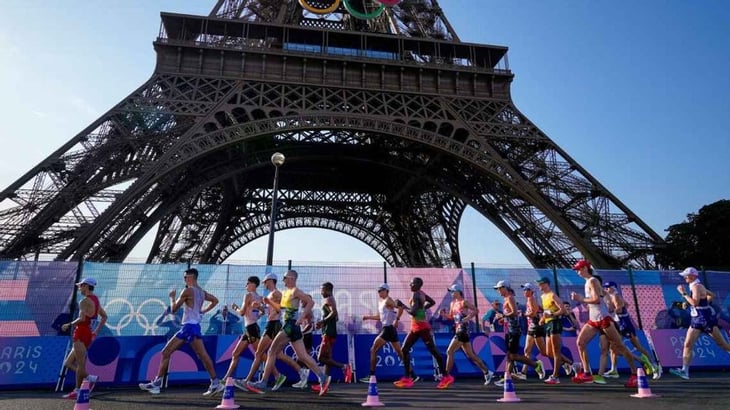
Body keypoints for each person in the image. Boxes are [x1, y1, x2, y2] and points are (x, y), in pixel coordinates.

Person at [139, 268, 225, 396]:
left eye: (185, 277)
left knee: (170, 352)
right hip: (192, 326)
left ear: (191, 277)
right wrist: (203, 311)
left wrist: (172, 298)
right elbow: (215, 300)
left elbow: (173, 309)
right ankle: (215, 382)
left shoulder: (187, 290)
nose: (184, 279)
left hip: (188, 327)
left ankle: (157, 384)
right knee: (193, 354)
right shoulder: (202, 292)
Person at [248, 270, 332, 396]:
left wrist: (302, 316)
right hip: (292, 326)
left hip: (290, 325)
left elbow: (311, 302)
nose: (283, 280)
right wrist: (265, 304)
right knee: (303, 356)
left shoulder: (295, 291)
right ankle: (322, 377)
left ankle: (263, 382)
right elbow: (279, 309)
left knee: (272, 351)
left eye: (285, 278)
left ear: (292, 278)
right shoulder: (286, 292)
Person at [570, 260, 637, 387]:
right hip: (594, 319)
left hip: (603, 319)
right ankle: (587, 373)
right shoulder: (588, 282)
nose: (577, 272)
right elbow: (598, 299)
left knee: (620, 346)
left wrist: (580, 299)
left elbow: (595, 300)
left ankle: (635, 374)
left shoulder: (593, 281)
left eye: (578, 269)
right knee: (580, 343)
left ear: (585, 268)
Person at [237, 272, 305, 392]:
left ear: (271, 281)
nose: (264, 284)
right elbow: (270, 309)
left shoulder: (277, 293)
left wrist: (268, 305)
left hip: (274, 324)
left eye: (266, 282)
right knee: (277, 354)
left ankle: (248, 381)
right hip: (272, 324)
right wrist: (259, 306)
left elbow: (282, 308)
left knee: (259, 353)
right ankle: (298, 372)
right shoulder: (270, 294)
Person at [669, 267, 730, 380]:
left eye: (686, 276)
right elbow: (711, 296)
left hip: (705, 319)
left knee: (722, 344)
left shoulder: (697, 286)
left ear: (693, 276)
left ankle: (684, 370)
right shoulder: (696, 286)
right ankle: (684, 371)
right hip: (697, 319)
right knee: (687, 344)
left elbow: (695, 303)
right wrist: (703, 302)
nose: (685, 277)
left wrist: (684, 294)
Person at [393, 277, 449, 389]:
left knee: (433, 351)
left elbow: (413, 313)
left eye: (411, 283)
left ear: (417, 285)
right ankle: (408, 378)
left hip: (421, 327)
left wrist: (402, 306)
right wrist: (422, 309)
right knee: (404, 349)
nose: (410, 285)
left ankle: (446, 376)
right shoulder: (421, 293)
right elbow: (432, 302)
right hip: (416, 327)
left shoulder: (415, 295)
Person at [602, 281, 661, 380]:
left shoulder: (615, 296)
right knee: (613, 346)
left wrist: (608, 312)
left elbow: (619, 309)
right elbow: (626, 304)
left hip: (625, 324)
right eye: (605, 288)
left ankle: (654, 365)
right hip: (619, 323)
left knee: (637, 346)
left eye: (607, 288)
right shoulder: (613, 297)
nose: (605, 289)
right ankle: (614, 370)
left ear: (613, 288)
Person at [60, 277, 108, 399]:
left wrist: (69, 324)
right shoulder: (96, 300)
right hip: (87, 333)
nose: (80, 288)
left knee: (80, 365)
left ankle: (84, 384)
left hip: (80, 333)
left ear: (86, 286)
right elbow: (104, 317)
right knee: (68, 363)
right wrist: (95, 332)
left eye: (81, 285)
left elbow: (81, 319)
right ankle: (87, 380)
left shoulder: (84, 301)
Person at [492, 280, 545, 387]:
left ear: (504, 288)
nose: (498, 291)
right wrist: (503, 320)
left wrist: (503, 316)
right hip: (509, 330)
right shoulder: (506, 299)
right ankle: (507, 378)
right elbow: (511, 315)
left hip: (514, 331)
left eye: (499, 289)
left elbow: (515, 312)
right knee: (509, 356)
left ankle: (536, 365)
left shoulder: (510, 298)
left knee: (512, 355)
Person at [441, 284, 494, 388]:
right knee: (471, 355)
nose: (451, 293)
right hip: (458, 329)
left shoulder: (463, 302)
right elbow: (452, 317)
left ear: (458, 292)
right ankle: (487, 372)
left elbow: (476, 310)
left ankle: (446, 376)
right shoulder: (452, 303)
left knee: (449, 351)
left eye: (452, 291)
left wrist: (468, 317)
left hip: (463, 330)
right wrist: (444, 315)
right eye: (450, 291)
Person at [360, 283, 407, 382]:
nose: (379, 292)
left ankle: (372, 376)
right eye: (378, 290)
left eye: (381, 290)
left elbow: (401, 308)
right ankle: (412, 374)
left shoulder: (388, 300)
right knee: (399, 353)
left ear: (386, 291)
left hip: (388, 329)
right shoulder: (381, 302)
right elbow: (380, 317)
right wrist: (368, 317)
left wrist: (396, 320)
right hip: (389, 329)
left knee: (373, 349)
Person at [312, 282, 353, 391]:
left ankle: (344, 367)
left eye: (322, 290)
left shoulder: (329, 299)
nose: (321, 292)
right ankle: (324, 384)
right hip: (329, 331)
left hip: (328, 333)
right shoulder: (329, 300)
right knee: (328, 359)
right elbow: (336, 317)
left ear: (328, 290)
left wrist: (323, 321)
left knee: (320, 358)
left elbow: (334, 313)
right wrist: (323, 323)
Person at [534, 277, 576, 384]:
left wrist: (552, 315)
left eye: (541, 284)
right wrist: (543, 319)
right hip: (548, 324)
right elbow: (546, 311)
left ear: (546, 284)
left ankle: (555, 376)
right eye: (538, 284)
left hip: (555, 323)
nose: (539, 286)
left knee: (556, 351)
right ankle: (572, 364)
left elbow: (562, 310)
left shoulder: (553, 295)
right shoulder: (543, 296)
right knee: (548, 352)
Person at [222, 276, 263, 383]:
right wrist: (257, 315)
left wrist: (235, 308)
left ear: (253, 284)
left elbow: (242, 313)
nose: (246, 286)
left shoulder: (248, 295)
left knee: (260, 355)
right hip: (250, 328)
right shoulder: (259, 297)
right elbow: (261, 312)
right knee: (235, 354)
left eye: (247, 283)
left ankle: (277, 375)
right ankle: (226, 379)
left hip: (251, 328)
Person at [517, 282, 549, 380]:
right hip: (531, 327)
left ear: (531, 291)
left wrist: (523, 314)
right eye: (524, 289)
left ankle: (567, 362)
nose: (524, 291)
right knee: (527, 350)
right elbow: (538, 310)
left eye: (526, 289)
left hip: (535, 326)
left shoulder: (531, 299)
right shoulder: (529, 300)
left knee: (544, 352)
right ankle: (524, 372)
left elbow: (533, 313)